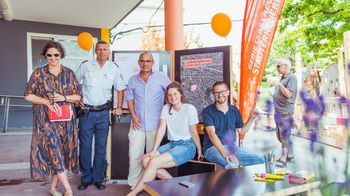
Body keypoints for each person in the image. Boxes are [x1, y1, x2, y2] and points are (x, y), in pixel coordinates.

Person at [24, 41, 82, 196]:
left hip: (66, 121)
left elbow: (78, 96)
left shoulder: (69, 73)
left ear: (61, 55)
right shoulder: (38, 73)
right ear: (45, 56)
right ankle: (68, 190)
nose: (53, 58)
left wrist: (63, 97)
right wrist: (46, 102)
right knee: (55, 151)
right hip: (45, 122)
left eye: (56, 54)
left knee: (60, 155)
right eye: (49, 55)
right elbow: (28, 95)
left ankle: (53, 188)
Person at [127, 82, 202, 196]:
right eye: (169, 95)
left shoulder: (189, 108)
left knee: (153, 162)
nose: (173, 97)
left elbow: (194, 131)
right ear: (167, 97)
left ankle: (134, 192)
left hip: (187, 146)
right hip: (172, 144)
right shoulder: (166, 108)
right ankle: (175, 186)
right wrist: (153, 150)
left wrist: (199, 150)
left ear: (181, 94)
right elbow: (161, 129)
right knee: (146, 160)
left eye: (175, 94)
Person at [75, 40, 126, 190]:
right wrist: (78, 100)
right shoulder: (86, 66)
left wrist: (118, 106)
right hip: (86, 113)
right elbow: (73, 83)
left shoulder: (114, 68)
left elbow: (120, 88)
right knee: (85, 146)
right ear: (95, 51)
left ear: (108, 51)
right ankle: (85, 178)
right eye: (99, 49)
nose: (102, 52)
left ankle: (98, 178)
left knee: (100, 147)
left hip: (103, 113)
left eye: (105, 49)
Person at [126, 51, 171, 188]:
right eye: (142, 61)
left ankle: (150, 185)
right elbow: (129, 99)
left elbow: (171, 92)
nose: (145, 64)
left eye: (148, 61)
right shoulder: (133, 80)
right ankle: (134, 185)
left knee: (152, 159)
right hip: (137, 125)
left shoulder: (162, 77)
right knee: (134, 156)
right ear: (139, 63)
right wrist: (133, 115)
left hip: (156, 125)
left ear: (153, 63)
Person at [202, 81, 264, 169]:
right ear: (213, 94)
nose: (220, 95)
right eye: (216, 92)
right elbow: (211, 134)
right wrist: (224, 152)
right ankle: (231, 182)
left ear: (228, 92)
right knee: (231, 164)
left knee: (259, 159)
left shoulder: (234, 110)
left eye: (222, 91)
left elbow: (242, 131)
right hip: (212, 148)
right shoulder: (208, 111)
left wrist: (252, 118)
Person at [273, 57, 298, 167]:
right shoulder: (283, 78)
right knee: (281, 135)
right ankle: (290, 154)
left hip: (285, 111)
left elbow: (289, 94)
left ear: (286, 66)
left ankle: (283, 158)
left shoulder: (291, 78)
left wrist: (279, 85)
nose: (277, 68)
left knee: (283, 135)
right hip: (279, 111)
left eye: (279, 66)